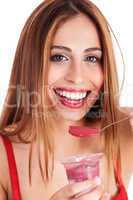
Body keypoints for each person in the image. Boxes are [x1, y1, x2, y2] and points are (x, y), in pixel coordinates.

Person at [0, 0, 133, 199]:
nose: (77, 77)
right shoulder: (2, 158)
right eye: (59, 57)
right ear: (31, 63)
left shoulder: (124, 132)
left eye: (91, 58)